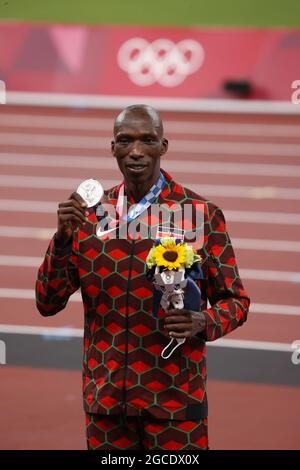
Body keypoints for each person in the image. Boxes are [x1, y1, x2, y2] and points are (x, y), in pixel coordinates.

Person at [36, 105, 250, 450]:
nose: (136, 151)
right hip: (106, 406)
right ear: (113, 148)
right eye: (125, 141)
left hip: (175, 405)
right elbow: (47, 302)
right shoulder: (91, 216)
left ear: (163, 146)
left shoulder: (198, 213)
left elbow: (236, 302)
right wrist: (61, 240)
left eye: (147, 140)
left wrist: (203, 321)